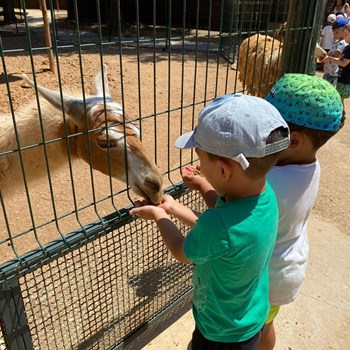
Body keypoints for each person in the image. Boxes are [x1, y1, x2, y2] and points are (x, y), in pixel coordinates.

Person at [180, 74, 344, 350]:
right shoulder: (309, 168)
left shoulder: (271, 185)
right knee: (265, 324)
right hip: (287, 266)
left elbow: (232, 222)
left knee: (256, 325)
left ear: (292, 141)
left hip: (267, 274)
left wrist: (203, 189)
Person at [130, 93, 290, 350]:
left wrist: (160, 216)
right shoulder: (264, 196)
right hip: (249, 317)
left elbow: (181, 251)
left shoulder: (220, 226)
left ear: (224, 170)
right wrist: (190, 194)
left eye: (201, 159)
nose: (200, 165)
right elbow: (229, 219)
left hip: (219, 332)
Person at [321, 20, 350, 117]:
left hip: (337, 75)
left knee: (336, 96)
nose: (334, 34)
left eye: (346, 34)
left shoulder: (344, 45)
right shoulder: (343, 44)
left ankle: (339, 115)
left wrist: (328, 57)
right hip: (336, 74)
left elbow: (340, 60)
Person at [323, 17, 348, 86]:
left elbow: (336, 56)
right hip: (329, 72)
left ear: (344, 31)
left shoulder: (342, 43)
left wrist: (325, 56)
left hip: (333, 74)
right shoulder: (337, 41)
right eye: (333, 31)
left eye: (336, 31)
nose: (334, 33)